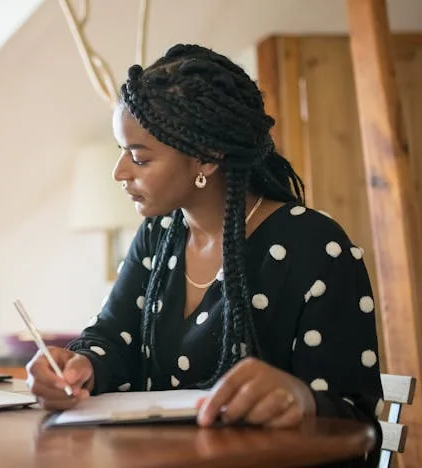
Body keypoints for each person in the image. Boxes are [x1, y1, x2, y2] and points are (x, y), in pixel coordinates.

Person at [26, 44, 383, 465]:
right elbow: (113, 339)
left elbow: (356, 422)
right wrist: (80, 364)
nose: (120, 172)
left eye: (139, 157)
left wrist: (301, 398)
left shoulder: (316, 247)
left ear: (208, 158)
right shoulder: (158, 235)